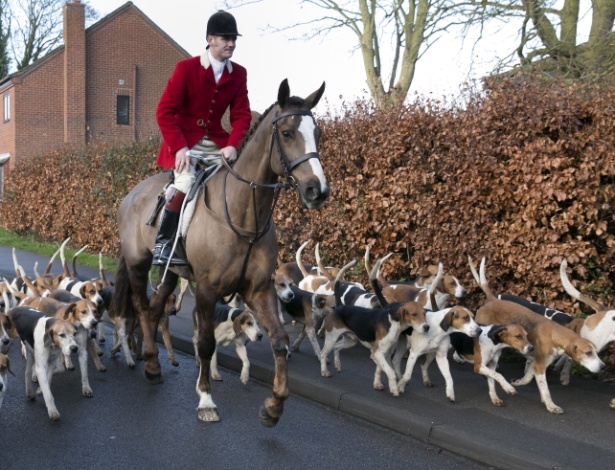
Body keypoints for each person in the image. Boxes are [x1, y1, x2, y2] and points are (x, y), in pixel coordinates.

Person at [153, 10, 252, 266]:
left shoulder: (239, 74)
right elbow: (165, 111)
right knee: (185, 182)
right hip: (184, 142)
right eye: (226, 38)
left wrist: (233, 144)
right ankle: (164, 244)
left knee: (237, 182)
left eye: (234, 38)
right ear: (210, 39)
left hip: (217, 144)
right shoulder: (186, 69)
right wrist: (179, 148)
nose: (231, 43)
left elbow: (242, 115)